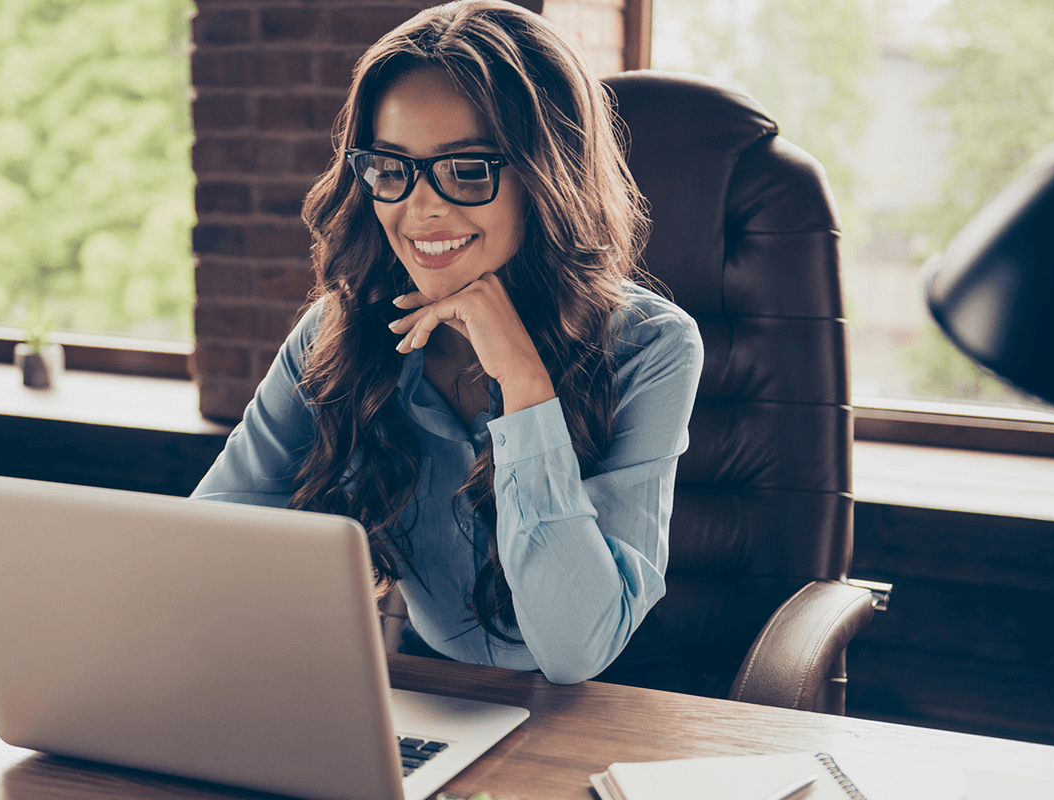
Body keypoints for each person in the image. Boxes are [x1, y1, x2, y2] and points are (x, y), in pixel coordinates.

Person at [190, 0, 702, 687]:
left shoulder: (653, 347)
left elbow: (574, 649)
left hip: (609, 697)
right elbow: (209, 540)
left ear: (546, 175)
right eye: (391, 168)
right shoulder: (339, 332)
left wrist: (522, 381)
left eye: (466, 169)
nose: (420, 208)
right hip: (437, 690)